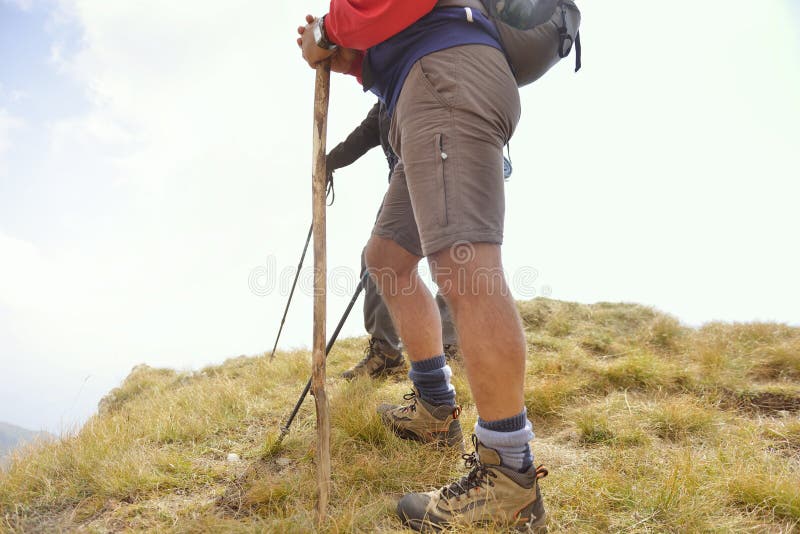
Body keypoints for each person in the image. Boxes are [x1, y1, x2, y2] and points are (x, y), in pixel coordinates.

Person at [297, 2, 547, 531]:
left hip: (445, 79)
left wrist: (327, 30)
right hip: (424, 87)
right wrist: (346, 57)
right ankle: (436, 409)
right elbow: (385, 33)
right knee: (387, 258)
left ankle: (509, 477)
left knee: (464, 268)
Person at [325, 101, 460, 379]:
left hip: (447, 171)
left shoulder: (425, 75)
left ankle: (450, 344)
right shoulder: (385, 100)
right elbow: (363, 135)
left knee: (450, 258)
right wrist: (329, 161)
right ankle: (386, 351)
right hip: (403, 183)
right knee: (376, 258)